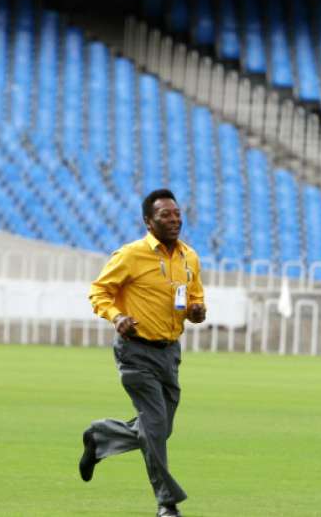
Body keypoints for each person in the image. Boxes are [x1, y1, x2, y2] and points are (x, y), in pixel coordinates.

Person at [80, 189, 206, 517]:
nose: (174, 219)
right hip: (136, 351)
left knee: (160, 428)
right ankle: (167, 503)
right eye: (165, 215)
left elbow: (194, 297)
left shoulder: (189, 257)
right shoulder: (130, 255)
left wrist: (196, 310)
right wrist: (117, 316)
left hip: (170, 352)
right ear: (148, 222)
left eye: (177, 213)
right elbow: (99, 291)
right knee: (154, 424)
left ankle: (102, 436)